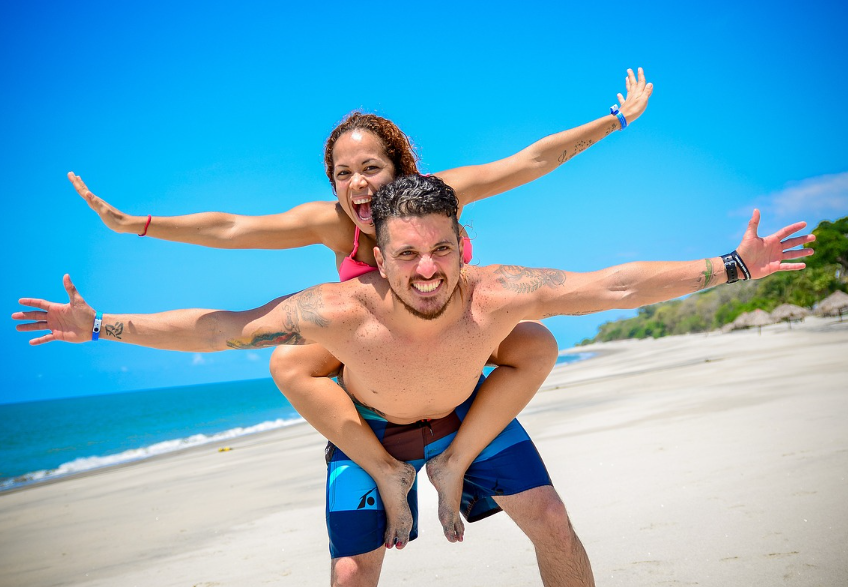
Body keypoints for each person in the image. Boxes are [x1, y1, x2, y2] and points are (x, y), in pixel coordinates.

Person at [14, 174, 815, 587]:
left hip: (468, 414)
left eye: (440, 249)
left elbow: (614, 284)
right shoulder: (336, 310)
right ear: (377, 254)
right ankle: (398, 476)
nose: (427, 269)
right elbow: (222, 329)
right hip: (372, 430)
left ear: (462, 243)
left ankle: (453, 463)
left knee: (553, 522)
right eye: (406, 254)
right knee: (351, 573)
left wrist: (733, 264)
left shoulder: (498, 291)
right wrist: (100, 325)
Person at [67, 69, 654, 546]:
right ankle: (386, 471)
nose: (358, 184)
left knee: (534, 341)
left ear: (400, 169)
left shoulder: (436, 196)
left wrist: (616, 120)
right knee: (288, 359)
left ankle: (456, 462)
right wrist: (137, 225)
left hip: (455, 340)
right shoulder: (332, 222)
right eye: (343, 173)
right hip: (381, 355)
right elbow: (233, 228)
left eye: (371, 168)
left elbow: (529, 162)